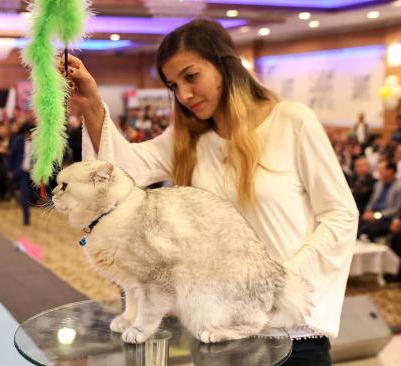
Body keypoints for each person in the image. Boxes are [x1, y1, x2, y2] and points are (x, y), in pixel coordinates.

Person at [61, 19, 357, 364]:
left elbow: (340, 214)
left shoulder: (292, 121)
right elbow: (125, 171)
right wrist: (92, 105)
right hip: (217, 334)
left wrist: (280, 278)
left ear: (224, 65)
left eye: (191, 76)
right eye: (174, 85)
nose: (184, 95)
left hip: (289, 333)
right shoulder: (187, 140)